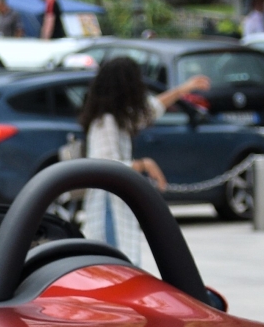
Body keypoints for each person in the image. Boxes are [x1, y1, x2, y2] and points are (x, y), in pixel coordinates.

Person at [76, 56, 200, 271]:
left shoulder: (116, 117)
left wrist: (183, 89)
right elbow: (107, 165)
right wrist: (144, 165)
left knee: (119, 263)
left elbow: (151, 109)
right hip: (108, 204)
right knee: (115, 266)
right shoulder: (106, 121)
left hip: (115, 202)